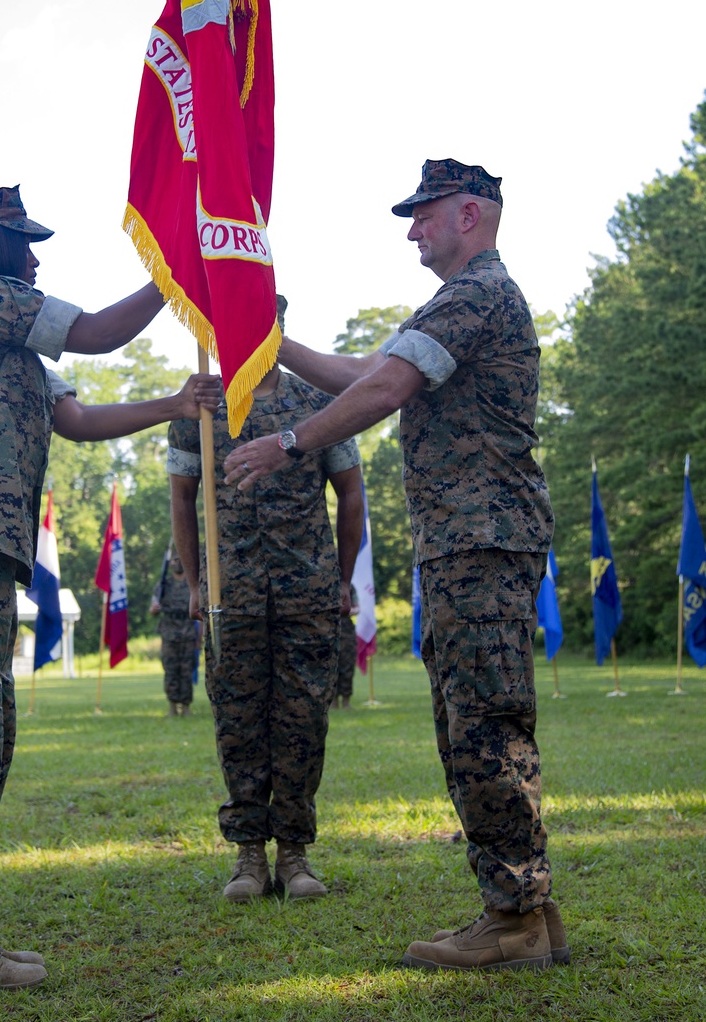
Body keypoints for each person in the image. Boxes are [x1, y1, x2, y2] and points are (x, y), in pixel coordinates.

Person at [0, 185, 219, 992]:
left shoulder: (10, 341)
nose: (35, 257)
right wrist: (175, 276)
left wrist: (173, 402)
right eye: (23, 242)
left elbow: (75, 419)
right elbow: (97, 333)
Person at [224, 160, 564, 972]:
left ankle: (512, 915)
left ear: (471, 215)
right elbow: (367, 375)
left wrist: (288, 441)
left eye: (425, 214)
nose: (413, 229)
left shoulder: (477, 293)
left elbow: (384, 389)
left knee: (483, 728)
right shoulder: (463, 298)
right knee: (484, 723)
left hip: (481, 541)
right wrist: (272, 343)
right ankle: (527, 910)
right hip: (470, 543)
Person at [168, 297, 364, 902]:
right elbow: (182, 500)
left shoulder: (318, 405)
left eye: (260, 325)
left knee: (304, 719)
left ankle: (296, 854)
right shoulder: (200, 410)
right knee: (238, 722)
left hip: (307, 590)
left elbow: (352, 495)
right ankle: (249, 856)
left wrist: (342, 576)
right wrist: (199, 584)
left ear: (279, 329)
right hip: (235, 594)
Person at [149, 546, 198, 716]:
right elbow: (153, 609)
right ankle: (172, 706)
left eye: (179, 560)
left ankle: (185, 706)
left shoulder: (193, 585)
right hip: (169, 634)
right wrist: (154, 609)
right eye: (174, 560)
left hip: (187, 633)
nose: (177, 563)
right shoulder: (163, 585)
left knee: (186, 670)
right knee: (170, 670)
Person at [334, 592, 357, 709]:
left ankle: (346, 700)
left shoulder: (349, 587)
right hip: (330, 629)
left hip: (347, 631)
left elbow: (357, 608)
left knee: (347, 666)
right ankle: (333, 701)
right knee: (332, 667)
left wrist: (349, 610)